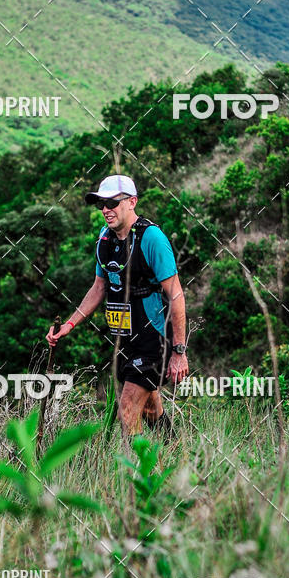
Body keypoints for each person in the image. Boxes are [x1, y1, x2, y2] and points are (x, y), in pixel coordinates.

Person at [46, 174, 189, 438]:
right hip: (124, 337)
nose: (105, 210)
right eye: (101, 204)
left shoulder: (152, 238)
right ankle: (177, 454)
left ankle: (138, 474)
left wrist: (179, 351)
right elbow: (99, 287)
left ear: (132, 202)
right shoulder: (105, 239)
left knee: (127, 411)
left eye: (112, 203)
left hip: (153, 338)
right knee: (149, 408)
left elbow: (176, 295)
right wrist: (69, 324)